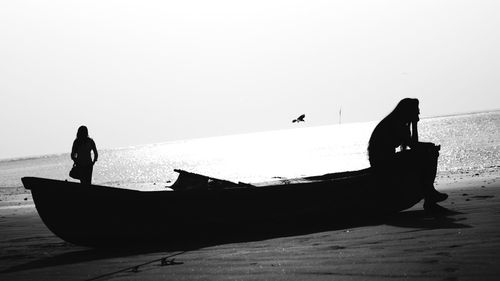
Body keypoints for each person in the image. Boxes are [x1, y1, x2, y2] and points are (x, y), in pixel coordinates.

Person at [367, 98, 447, 210]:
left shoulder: (400, 123)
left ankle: (429, 192)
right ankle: (429, 193)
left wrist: (415, 125)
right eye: (417, 110)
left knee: (428, 151)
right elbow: (413, 145)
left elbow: (412, 144)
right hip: (382, 162)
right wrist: (428, 145)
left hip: (385, 160)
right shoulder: (396, 123)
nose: (419, 112)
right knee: (429, 153)